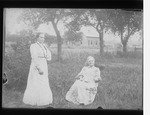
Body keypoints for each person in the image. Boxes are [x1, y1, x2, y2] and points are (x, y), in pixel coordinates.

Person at [23, 32, 53, 106]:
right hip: (36, 65)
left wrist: (46, 53)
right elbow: (34, 57)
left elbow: (49, 57)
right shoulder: (33, 46)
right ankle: (34, 100)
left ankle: (44, 100)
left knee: (44, 81)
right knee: (36, 82)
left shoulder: (44, 46)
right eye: (40, 37)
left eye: (43, 37)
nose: (42, 39)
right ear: (37, 38)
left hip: (44, 64)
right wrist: (39, 68)